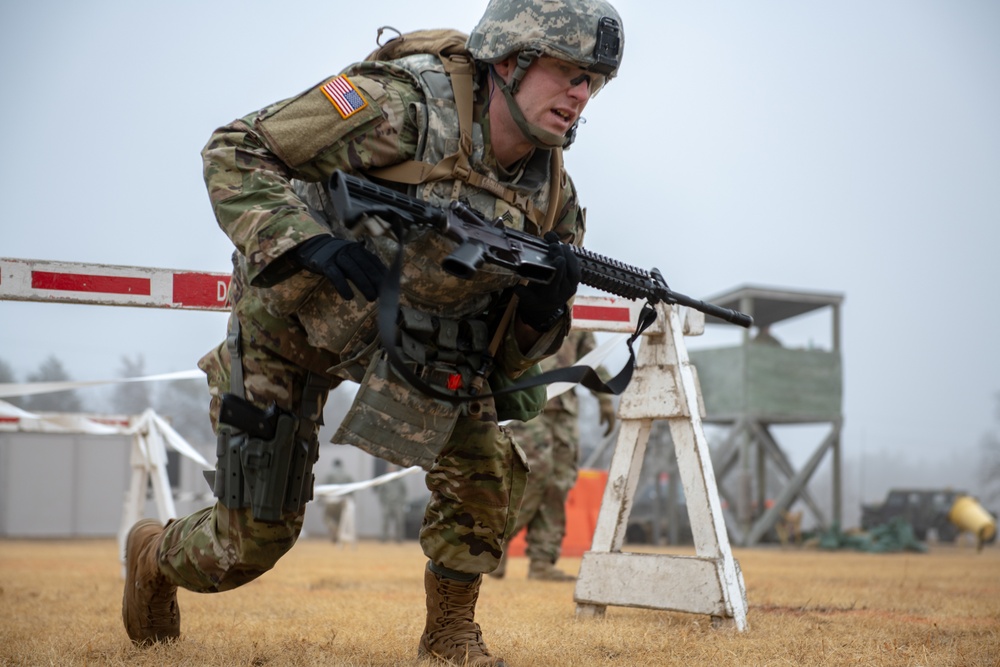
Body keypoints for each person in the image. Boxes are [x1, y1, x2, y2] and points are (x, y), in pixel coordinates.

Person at [120, 1, 624, 664]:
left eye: (593, 82)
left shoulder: (553, 200)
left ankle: (449, 635)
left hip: (415, 331)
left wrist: (540, 311)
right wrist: (306, 245)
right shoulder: (400, 108)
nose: (581, 95)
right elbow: (237, 149)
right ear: (511, 60)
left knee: (482, 467)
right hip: (295, 312)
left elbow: (505, 359)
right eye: (568, 72)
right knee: (250, 542)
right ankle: (156, 555)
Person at [490, 330, 615, 581]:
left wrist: (604, 398)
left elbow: (591, 359)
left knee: (558, 484)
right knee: (530, 478)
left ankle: (543, 562)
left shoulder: (580, 316)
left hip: (564, 413)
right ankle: (494, 551)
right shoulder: (525, 297)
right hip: (526, 407)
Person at [321, 459, 355, 544]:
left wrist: (321, 501)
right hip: (343, 501)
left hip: (331, 501)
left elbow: (322, 487)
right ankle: (337, 536)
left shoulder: (329, 474)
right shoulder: (347, 475)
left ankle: (334, 531)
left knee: (327, 518)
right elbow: (352, 488)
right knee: (340, 520)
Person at [377, 464, 409, 543]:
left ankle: (399, 538)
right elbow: (380, 492)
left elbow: (404, 492)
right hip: (387, 504)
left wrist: (401, 502)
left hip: (397, 504)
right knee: (385, 521)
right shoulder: (385, 480)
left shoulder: (400, 481)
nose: (391, 470)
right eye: (390, 468)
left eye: (393, 469)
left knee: (399, 521)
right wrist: (383, 501)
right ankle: (384, 537)